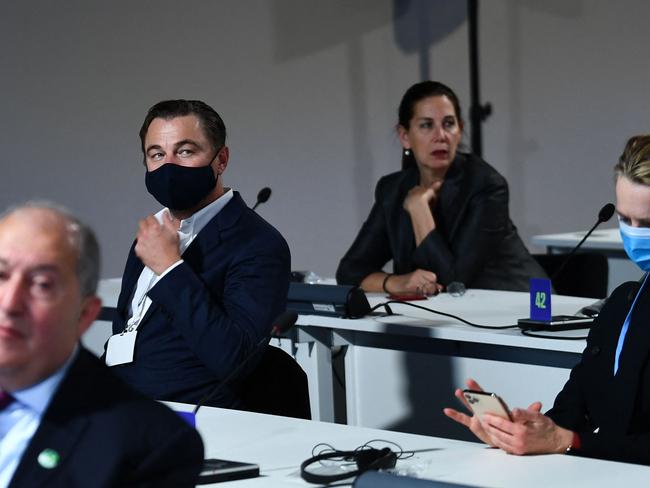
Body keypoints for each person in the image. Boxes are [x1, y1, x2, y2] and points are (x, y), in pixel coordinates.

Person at [444, 134, 650, 465]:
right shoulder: (623, 304)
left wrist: (567, 441)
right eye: (625, 220)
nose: (635, 233)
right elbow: (576, 410)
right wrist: (525, 430)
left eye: (648, 223)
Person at [0, 203, 203, 487]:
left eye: (42, 284)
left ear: (85, 314)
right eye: (1, 275)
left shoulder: (149, 446)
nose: (9, 303)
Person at [106, 99, 291, 408]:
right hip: (123, 408)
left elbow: (236, 360)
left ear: (221, 160)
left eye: (186, 151)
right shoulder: (153, 233)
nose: (169, 166)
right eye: (157, 154)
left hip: (192, 418)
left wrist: (170, 269)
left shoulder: (258, 244)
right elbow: (128, 332)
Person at [336, 81, 545, 296]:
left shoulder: (486, 186)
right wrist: (394, 282)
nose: (441, 136)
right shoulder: (392, 190)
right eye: (426, 125)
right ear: (405, 136)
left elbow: (454, 283)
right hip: (452, 318)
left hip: (524, 311)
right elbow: (350, 270)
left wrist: (419, 210)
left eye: (448, 124)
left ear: (460, 130)